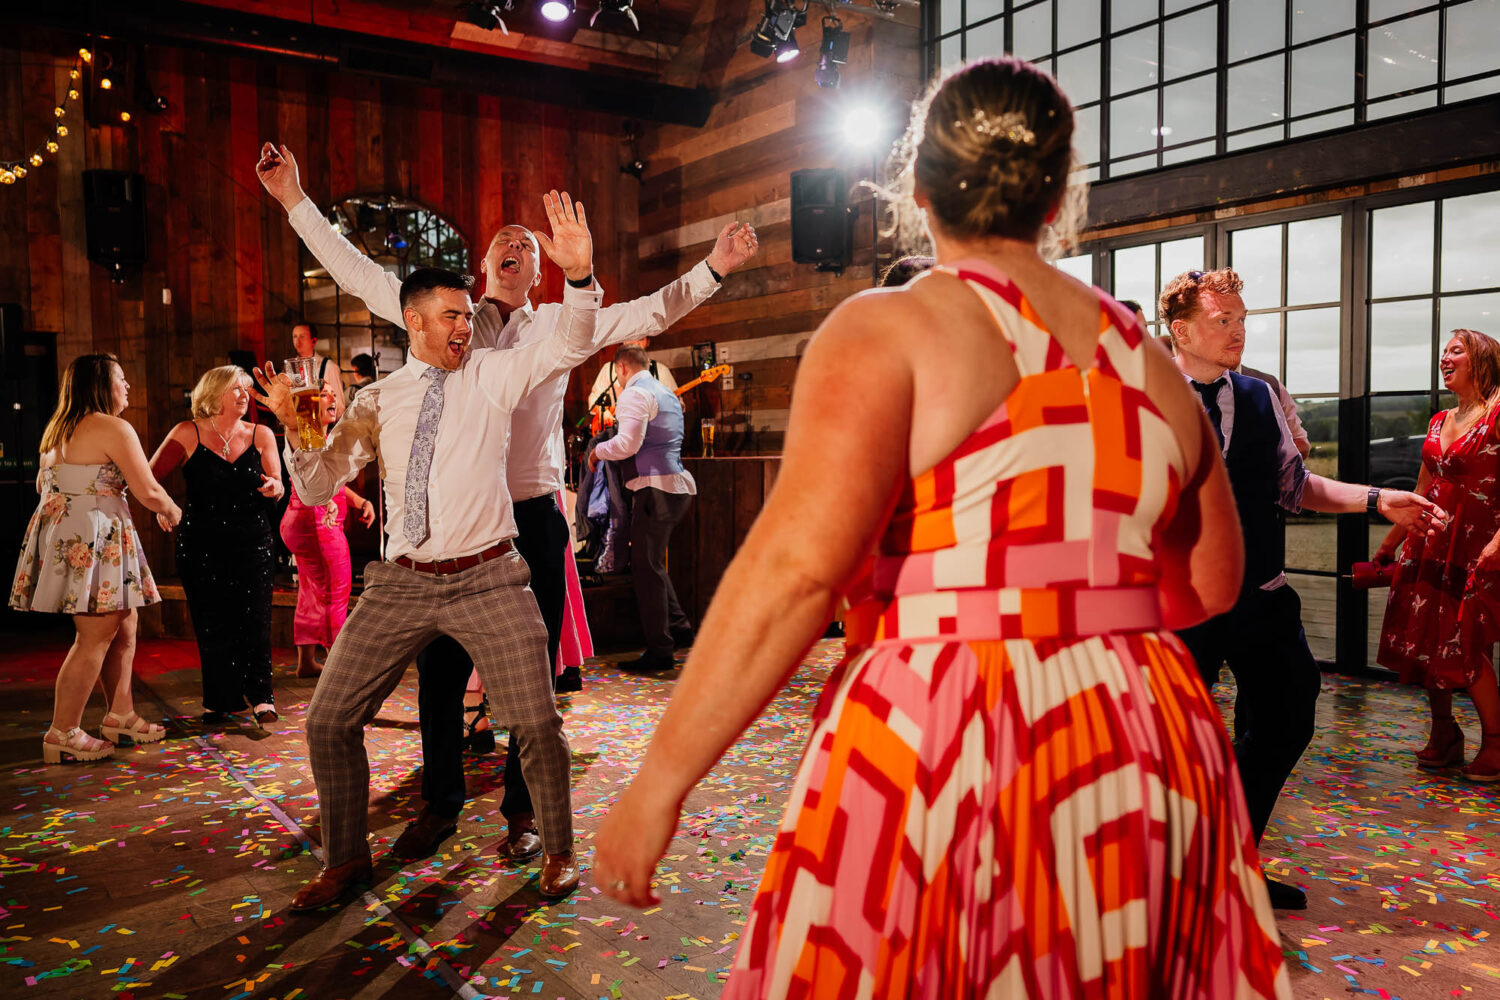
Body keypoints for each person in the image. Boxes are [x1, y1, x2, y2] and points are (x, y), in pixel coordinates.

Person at [594, 57, 1292, 998]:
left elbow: (796, 573)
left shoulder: (891, 327)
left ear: (916, 189)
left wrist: (658, 783)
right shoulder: (1148, 360)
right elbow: (1212, 580)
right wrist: (1084, 605)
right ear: (1058, 199)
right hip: (1140, 734)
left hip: (946, 725)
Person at [255, 140, 759, 863]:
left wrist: (714, 268)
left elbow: (652, 308)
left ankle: (525, 814)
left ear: (541, 268)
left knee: (534, 684)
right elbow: (355, 268)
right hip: (436, 533)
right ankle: (441, 803)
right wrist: (295, 201)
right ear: (483, 265)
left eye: (527, 243)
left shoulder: (558, 325)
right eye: (504, 241)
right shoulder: (447, 320)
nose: (516, 246)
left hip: (527, 515)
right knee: (437, 677)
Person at [251, 191, 604, 912]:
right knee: (327, 720)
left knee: (537, 721)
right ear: (413, 321)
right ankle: (346, 860)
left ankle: (558, 848)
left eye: (467, 315)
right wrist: (298, 430)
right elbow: (315, 486)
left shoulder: (493, 375)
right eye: (451, 316)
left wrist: (579, 276)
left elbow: (569, 344)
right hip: (401, 583)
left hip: (490, 578)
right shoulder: (377, 400)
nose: (465, 327)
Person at [1164, 266, 1444, 910]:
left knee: (1287, 718)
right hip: (1177, 605)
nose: (1238, 331)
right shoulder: (1139, 398)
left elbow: (1295, 486)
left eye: (1242, 319)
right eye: (1223, 320)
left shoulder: (1260, 395)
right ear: (1181, 330)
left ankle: (1230, 859)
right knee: (1166, 742)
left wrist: (1378, 499)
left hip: (1261, 597)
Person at [11, 354, 181, 763]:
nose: (127, 386)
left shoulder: (56, 431)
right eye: (121, 379)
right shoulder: (112, 427)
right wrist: (172, 509)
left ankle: (120, 714)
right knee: (94, 636)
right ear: (101, 384)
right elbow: (147, 489)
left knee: (125, 620)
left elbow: (44, 487)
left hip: (73, 534)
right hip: (94, 537)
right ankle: (62, 731)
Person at [1375, 329, 1500, 780]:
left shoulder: (1498, 411)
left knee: (1468, 641)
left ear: (1481, 358)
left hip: (1479, 544)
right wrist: (1390, 543)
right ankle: (1445, 734)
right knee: (1429, 637)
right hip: (1429, 541)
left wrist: (1499, 543)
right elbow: (1423, 486)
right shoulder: (1439, 419)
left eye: (1456, 351)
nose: (1445, 358)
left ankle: (1496, 744)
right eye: (1443, 352)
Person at [149, 365, 284, 725]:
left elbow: (278, 482)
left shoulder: (261, 434)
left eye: (246, 389)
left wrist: (274, 487)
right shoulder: (187, 432)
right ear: (213, 393)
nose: (244, 395)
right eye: (236, 388)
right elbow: (147, 477)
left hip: (253, 541)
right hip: (200, 543)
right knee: (211, 621)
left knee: (255, 619)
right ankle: (221, 698)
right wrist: (162, 506)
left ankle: (262, 697)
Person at [587, 345, 696, 671]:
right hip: (675, 486)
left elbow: (627, 444)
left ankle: (660, 651)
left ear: (621, 368)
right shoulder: (665, 392)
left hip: (655, 489)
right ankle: (680, 629)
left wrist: (597, 452)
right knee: (652, 565)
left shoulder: (634, 394)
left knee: (646, 571)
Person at [280, 384, 376, 678]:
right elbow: (313, 484)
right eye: (324, 394)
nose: (333, 397)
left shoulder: (320, 436)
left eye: (334, 393)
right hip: (318, 522)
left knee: (310, 592)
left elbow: (330, 481)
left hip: (302, 521)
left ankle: (307, 662)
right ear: (307, 404)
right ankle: (340, 668)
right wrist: (328, 504)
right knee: (336, 592)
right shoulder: (307, 433)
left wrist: (359, 501)